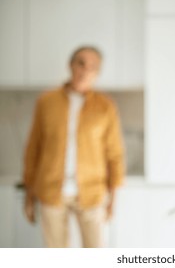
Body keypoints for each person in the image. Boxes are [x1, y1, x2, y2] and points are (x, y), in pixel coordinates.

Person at [23, 46, 125, 248]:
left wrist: (113, 199)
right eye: (81, 63)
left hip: (93, 192)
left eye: (92, 66)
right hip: (51, 190)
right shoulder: (46, 102)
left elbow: (115, 154)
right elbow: (33, 149)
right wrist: (29, 194)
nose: (85, 70)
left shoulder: (106, 107)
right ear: (70, 65)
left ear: (97, 72)